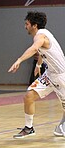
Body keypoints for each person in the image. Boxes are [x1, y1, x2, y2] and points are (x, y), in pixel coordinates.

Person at [8, 11, 65, 139]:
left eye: (27, 24)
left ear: (34, 25)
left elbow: (34, 48)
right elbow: (41, 51)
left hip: (62, 76)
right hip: (50, 74)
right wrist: (39, 65)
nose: (25, 26)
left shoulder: (41, 36)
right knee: (29, 96)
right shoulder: (42, 36)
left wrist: (19, 60)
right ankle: (29, 128)